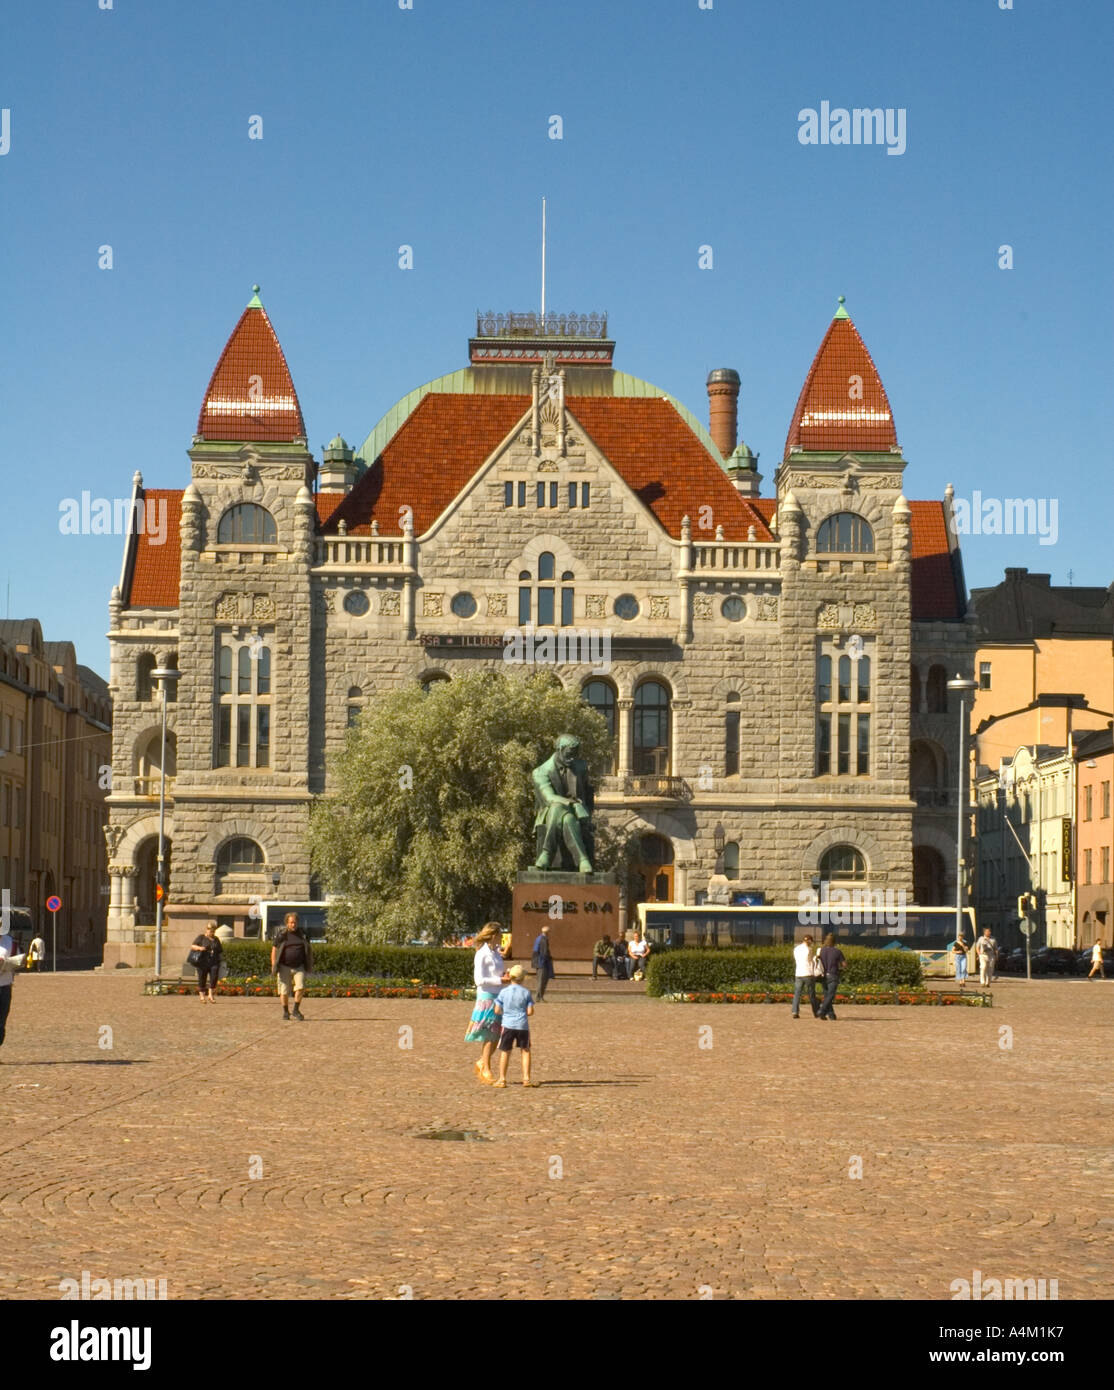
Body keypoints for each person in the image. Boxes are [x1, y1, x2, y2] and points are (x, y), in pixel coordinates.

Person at [466, 923, 508, 1084]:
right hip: (487, 996)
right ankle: (486, 1068)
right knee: (490, 1033)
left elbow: (496, 973)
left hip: (499, 995)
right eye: (500, 934)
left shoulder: (496, 953)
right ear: (492, 935)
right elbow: (479, 980)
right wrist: (500, 979)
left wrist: (505, 975)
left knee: (497, 1034)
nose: (502, 937)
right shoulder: (481, 954)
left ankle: (482, 1061)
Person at [493, 964, 536, 1088]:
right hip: (522, 1025)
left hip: (508, 1024)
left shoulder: (504, 992)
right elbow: (530, 1012)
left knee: (505, 1051)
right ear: (522, 978)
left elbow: (497, 1010)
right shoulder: (526, 992)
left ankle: (502, 1079)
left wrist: (506, 1012)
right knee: (526, 1051)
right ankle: (526, 1079)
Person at [270, 911, 313, 1022]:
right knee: (284, 991)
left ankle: (295, 1010)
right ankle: (285, 1012)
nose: (293, 925)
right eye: (291, 923)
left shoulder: (303, 934)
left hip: (299, 967)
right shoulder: (282, 935)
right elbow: (274, 949)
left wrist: (310, 963)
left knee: (301, 987)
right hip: (284, 966)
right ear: (287, 923)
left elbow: (309, 949)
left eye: (295, 922)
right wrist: (274, 964)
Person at [0, 927, 26, 1058]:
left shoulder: (10, 942)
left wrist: (9, 963)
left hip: (5, 986)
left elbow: (20, 960)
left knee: (1, 1022)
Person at [191, 922, 223, 1004]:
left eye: (213, 931)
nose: (212, 933)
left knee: (214, 977)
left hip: (214, 961)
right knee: (202, 978)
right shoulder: (201, 937)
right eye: (210, 931)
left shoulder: (216, 939)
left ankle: (210, 995)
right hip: (203, 961)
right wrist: (200, 948)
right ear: (207, 930)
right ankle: (202, 996)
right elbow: (193, 946)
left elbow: (220, 950)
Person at [817, 933, 846, 1020]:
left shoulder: (821, 951)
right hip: (833, 975)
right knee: (831, 995)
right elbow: (844, 964)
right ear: (834, 942)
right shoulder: (837, 951)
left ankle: (831, 1015)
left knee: (827, 995)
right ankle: (822, 1010)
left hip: (823, 975)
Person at [792, 934, 821, 1018]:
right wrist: (817, 956)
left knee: (797, 993)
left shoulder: (796, 949)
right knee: (811, 993)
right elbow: (811, 961)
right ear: (809, 941)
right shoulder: (809, 949)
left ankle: (795, 1011)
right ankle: (815, 1012)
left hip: (798, 973)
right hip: (808, 973)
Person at [532, 923, 555, 1001]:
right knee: (542, 980)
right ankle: (539, 997)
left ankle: (539, 996)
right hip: (542, 963)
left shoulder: (538, 938)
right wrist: (548, 961)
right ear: (547, 932)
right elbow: (544, 952)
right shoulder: (543, 940)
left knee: (541, 980)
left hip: (538, 962)